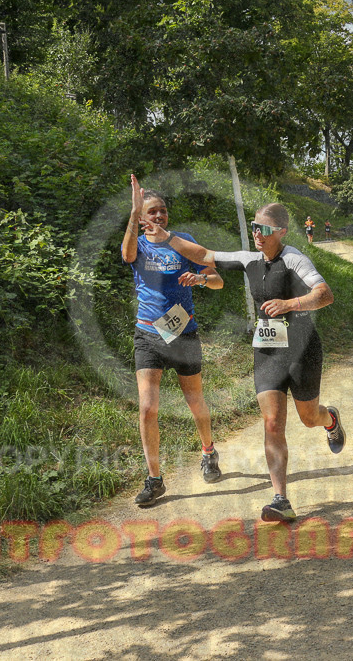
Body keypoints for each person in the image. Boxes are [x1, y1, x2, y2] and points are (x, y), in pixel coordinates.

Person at [142, 202, 346, 523]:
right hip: (267, 351)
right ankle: (281, 498)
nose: (256, 234)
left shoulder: (294, 259)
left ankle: (329, 420)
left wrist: (290, 302)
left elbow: (325, 294)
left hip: (303, 349)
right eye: (253, 227)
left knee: (309, 417)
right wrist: (166, 236)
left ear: (280, 232)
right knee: (272, 422)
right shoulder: (248, 258)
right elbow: (203, 255)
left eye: (263, 229)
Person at [122, 175, 225, 508]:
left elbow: (217, 280)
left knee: (194, 401)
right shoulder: (138, 243)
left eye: (163, 211)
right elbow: (126, 255)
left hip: (183, 332)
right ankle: (154, 479)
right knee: (148, 409)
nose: (159, 217)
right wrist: (133, 213)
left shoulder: (183, 241)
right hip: (148, 335)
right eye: (151, 212)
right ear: (141, 217)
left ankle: (208, 452)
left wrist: (200, 277)